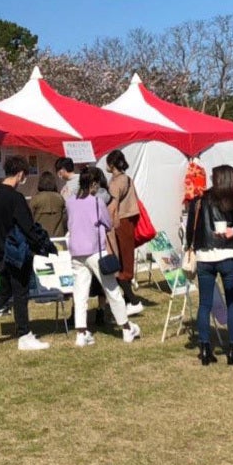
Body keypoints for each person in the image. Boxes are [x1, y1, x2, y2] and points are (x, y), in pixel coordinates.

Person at [0, 155, 58, 351]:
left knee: (4, 291)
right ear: (20, 174)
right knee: (21, 293)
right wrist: (44, 244)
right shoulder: (16, 198)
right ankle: (24, 335)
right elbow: (27, 226)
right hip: (17, 251)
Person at [65, 167, 140, 347]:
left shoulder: (70, 201)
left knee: (80, 293)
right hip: (95, 251)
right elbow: (108, 223)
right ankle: (126, 328)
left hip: (76, 252)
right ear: (93, 184)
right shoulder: (96, 202)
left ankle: (81, 333)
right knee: (112, 290)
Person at [184, 164, 233, 366]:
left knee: (204, 304)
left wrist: (190, 248)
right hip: (229, 254)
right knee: (232, 304)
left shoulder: (199, 200)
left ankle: (205, 349)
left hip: (204, 256)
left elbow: (190, 230)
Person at [105, 149, 142, 314]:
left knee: (119, 262)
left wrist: (107, 223)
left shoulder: (115, 182)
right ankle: (130, 300)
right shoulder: (127, 179)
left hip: (119, 222)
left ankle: (133, 301)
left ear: (112, 164)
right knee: (125, 259)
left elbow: (112, 207)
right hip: (129, 221)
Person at [29, 171, 68, 238]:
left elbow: (29, 218)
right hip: (58, 237)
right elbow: (65, 218)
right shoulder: (60, 198)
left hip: (40, 237)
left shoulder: (36, 199)